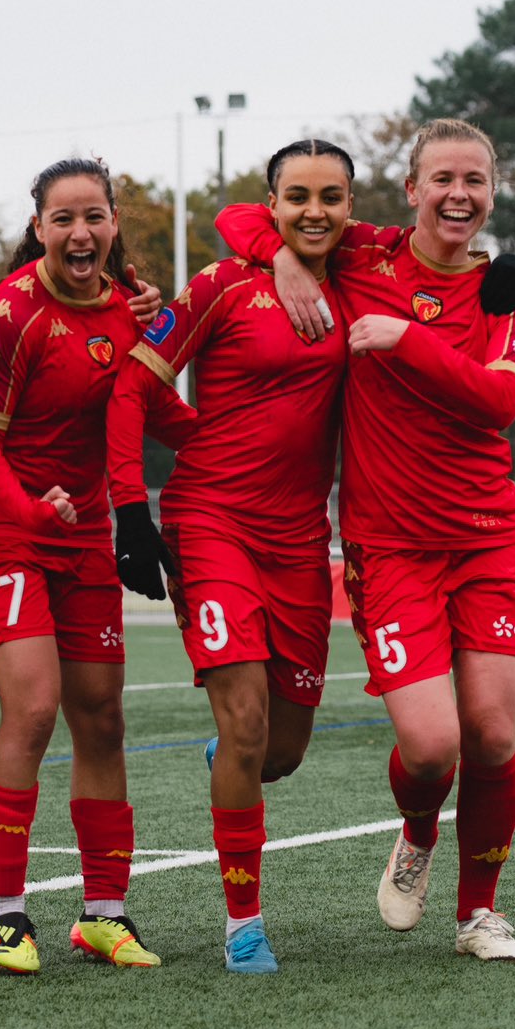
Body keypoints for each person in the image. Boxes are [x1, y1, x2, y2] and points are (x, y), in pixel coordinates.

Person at [216, 118, 515, 963]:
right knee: (433, 747)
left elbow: (499, 402)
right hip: (389, 547)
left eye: (475, 180)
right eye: (443, 179)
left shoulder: (507, 292)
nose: (458, 194)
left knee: (494, 735)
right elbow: (248, 220)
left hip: (485, 540)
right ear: (412, 189)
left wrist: (410, 338)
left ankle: (479, 914)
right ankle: (418, 828)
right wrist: (286, 260)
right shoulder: (367, 255)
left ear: (493, 193)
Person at [107, 139, 351, 974]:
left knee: (279, 752)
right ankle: (243, 923)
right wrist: (130, 508)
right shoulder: (218, 285)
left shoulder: (358, 282)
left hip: (299, 542)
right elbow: (131, 387)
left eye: (332, 197)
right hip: (211, 522)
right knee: (246, 725)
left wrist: (286, 252)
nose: (314, 211)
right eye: (296, 198)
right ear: (272, 203)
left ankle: (236, 759)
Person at [0, 157, 155, 975]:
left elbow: (158, 410)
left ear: (111, 223)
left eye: (94, 216)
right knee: (34, 707)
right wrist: (31, 510)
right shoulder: (10, 314)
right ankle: (3, 913)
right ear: (38, 227)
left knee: (101, 717)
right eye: (63, 218)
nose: (80, 232)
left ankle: (104, 914)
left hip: (82, 529)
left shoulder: (131, 311)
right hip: (0, 523)